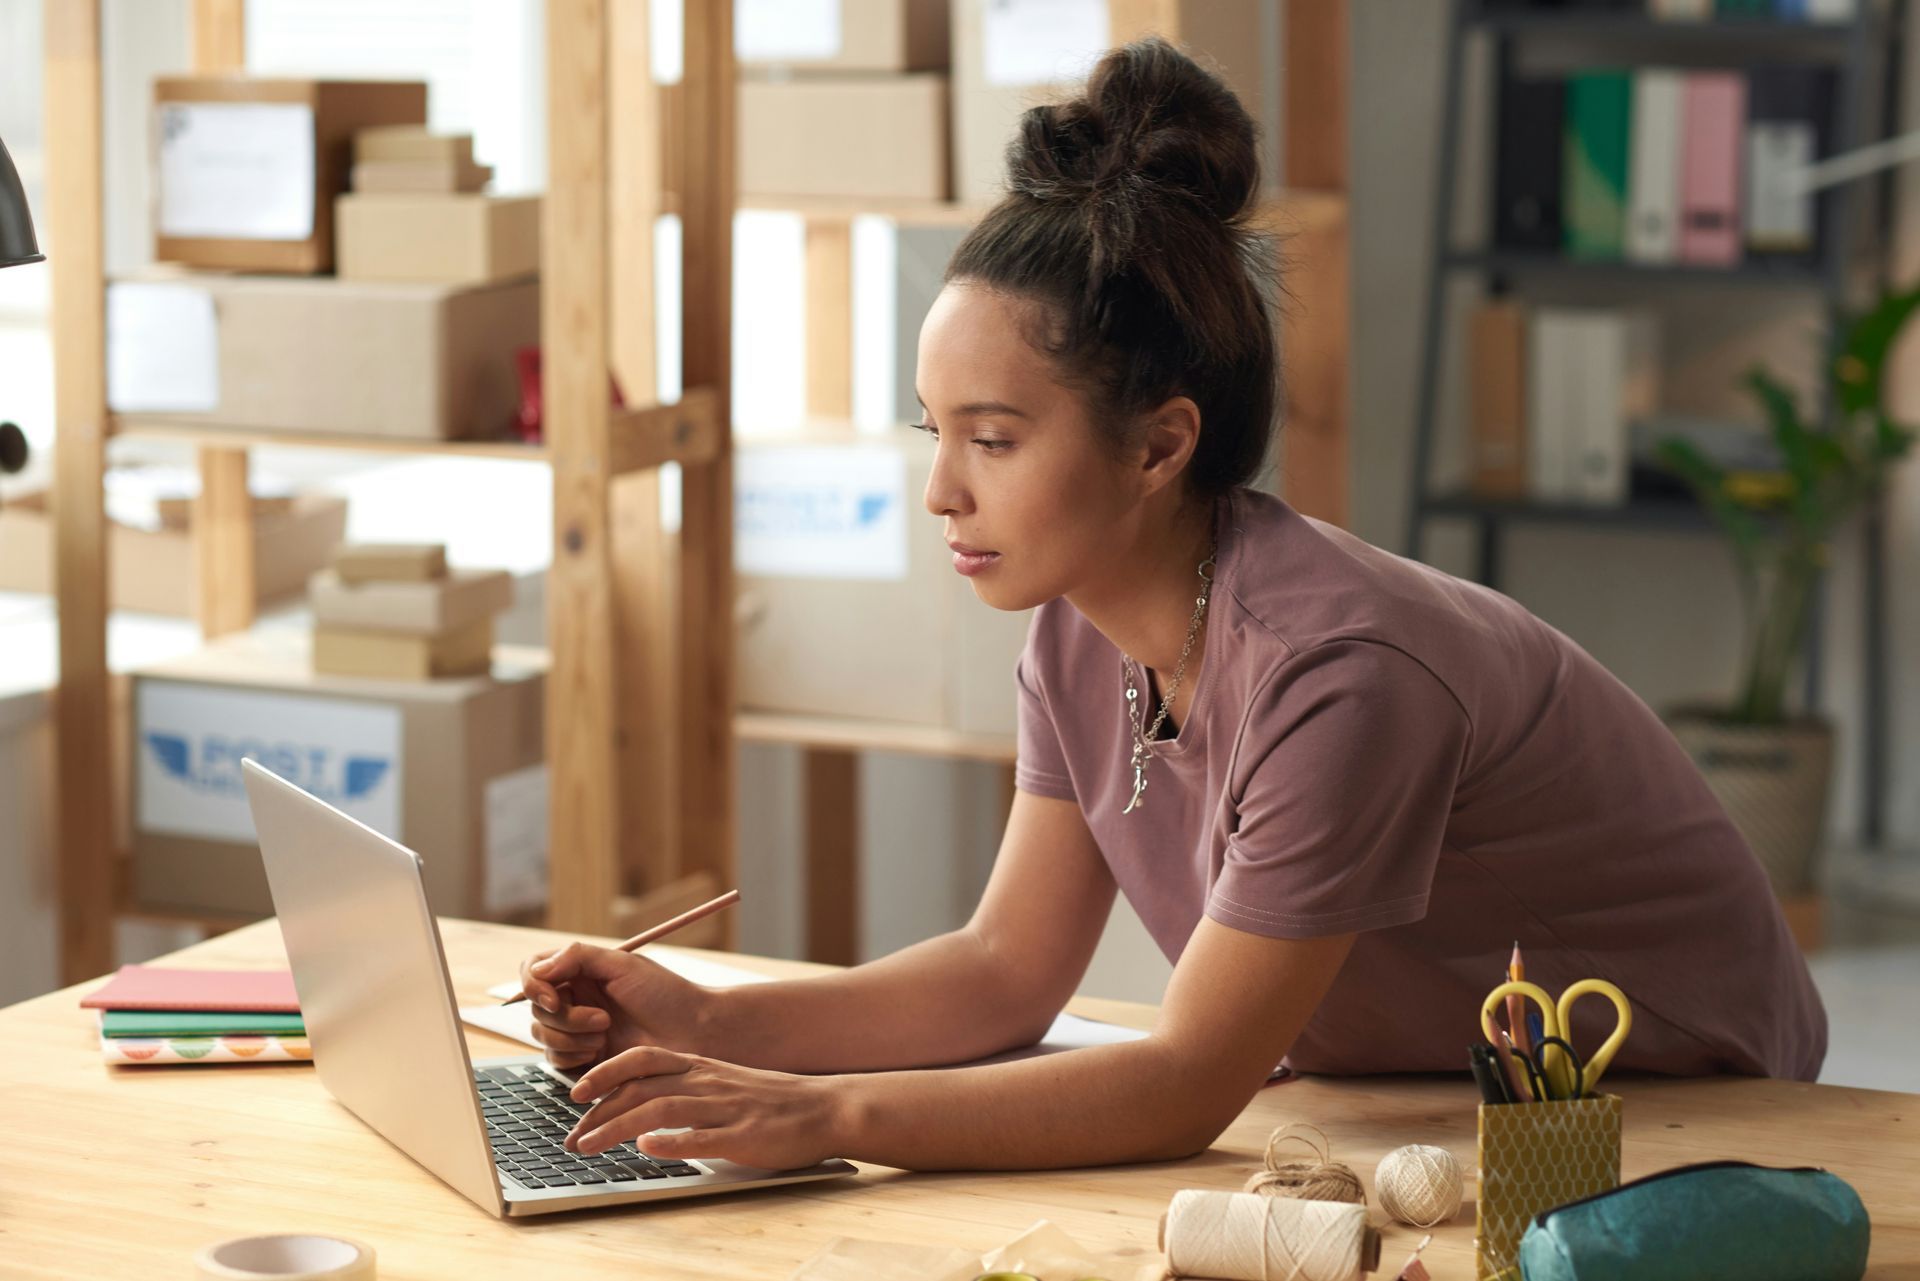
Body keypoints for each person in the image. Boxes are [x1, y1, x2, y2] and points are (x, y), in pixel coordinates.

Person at [518, 37, 1826, 1175]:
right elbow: (1004, 969)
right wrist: (703, 1020)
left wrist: (823, 1113)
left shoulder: (1342, 671)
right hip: (1432, 1089)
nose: (939, 493)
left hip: (1675, 1111)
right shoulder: (1075, 630)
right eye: (935, 431)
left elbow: (1187, 1077)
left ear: (1158, 447)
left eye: (993, 440)